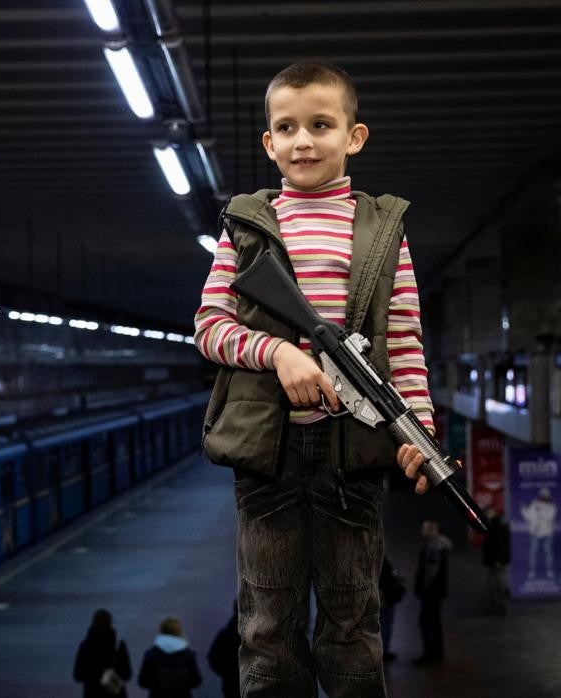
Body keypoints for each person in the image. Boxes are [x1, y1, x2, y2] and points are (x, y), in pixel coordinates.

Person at [194, 60, 437, 697]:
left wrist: (421, 433)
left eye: (321, 125)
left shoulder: (384, 231)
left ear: (354, 137)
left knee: (352, 621)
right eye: (288, 128)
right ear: (269, 144)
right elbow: (209, 327)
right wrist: (279, 353)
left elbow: (404, 341)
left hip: (351, 453)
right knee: (267, 626)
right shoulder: (244, 226)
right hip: (267, 457)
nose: (304, 141)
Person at [414, 520, 451, 664]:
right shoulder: (442, 546)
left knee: (426, 622)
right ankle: (437, 654)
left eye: (424, 529)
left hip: (431, 592)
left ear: (431, 530)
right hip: (438, 591)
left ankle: (430, 654)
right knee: (434, 622)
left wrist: (423, 587)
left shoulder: (433, 547)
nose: (422, 531)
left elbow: (430, 570)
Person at [73, 609, 132, 698]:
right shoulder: (118, 645)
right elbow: (127, 674)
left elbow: (78, 675)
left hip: (92, 693)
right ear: (110, 623)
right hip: (114, 692)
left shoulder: (85, 646)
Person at [138, 616, 202, 698]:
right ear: (179, 632)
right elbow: (197, 682)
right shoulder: (188, 655)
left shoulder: (151, 655)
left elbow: (143, 682)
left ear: (161, 631)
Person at [521, 487, 557, 580]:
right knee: (533, 554)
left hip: (547, 534)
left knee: (548, 554)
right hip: (535, 534)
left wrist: (541, 510)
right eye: (542, 495)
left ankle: (550, 571)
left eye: (545, 495)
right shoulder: (534, 504)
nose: (543, 497)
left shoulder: (552, 507)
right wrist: (524, 510)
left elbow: (550, 518)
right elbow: (529, 517)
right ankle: (531, 572)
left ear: (548, 496)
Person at [206, 602, 240, 697]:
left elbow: (213, 658)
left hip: (231, 684)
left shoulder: (226, 634)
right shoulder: (261, 634)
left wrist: (227, 673)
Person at [482, 507, 511, 614]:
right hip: (493, 561)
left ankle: (501, 606)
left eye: (488, 513)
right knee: (493, 583)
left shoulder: (497, 527)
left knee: (498, 584)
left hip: (496, 561)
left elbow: (501, 545)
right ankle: (496, 605)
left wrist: (499, 560)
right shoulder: (493, 526)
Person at [379, 556, 406, 662]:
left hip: (386, 597)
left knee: (384, 624)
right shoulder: (380, 559)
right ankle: (383, 651)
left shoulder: (377, 559)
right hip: (386, 597)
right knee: (385, 624)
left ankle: (383, 650)